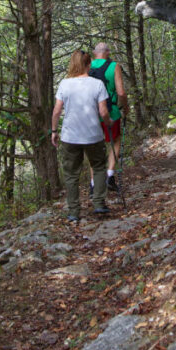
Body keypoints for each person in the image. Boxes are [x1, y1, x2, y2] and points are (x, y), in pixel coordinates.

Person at [51, 50, 113, 222]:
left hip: (70, 136)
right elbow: (103, 111)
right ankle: (99, 203)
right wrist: (108, 122)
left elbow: (57, 110)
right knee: (99, 167)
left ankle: (73, 211)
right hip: (93, 134)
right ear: (89, 64)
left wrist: (54, 131)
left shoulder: (64, 84)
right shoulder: (97, 84)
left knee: (71, 174)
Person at [89, 42, 128, 192]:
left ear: (94, 53)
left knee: (94, 147)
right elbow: (121, 93)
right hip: (111, 111)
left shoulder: (88, 66)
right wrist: (125, 107)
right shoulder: (114, 66)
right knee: (115, 141)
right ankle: (110, 175)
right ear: (108, 52)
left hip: (91, 113)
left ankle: (93, 184)